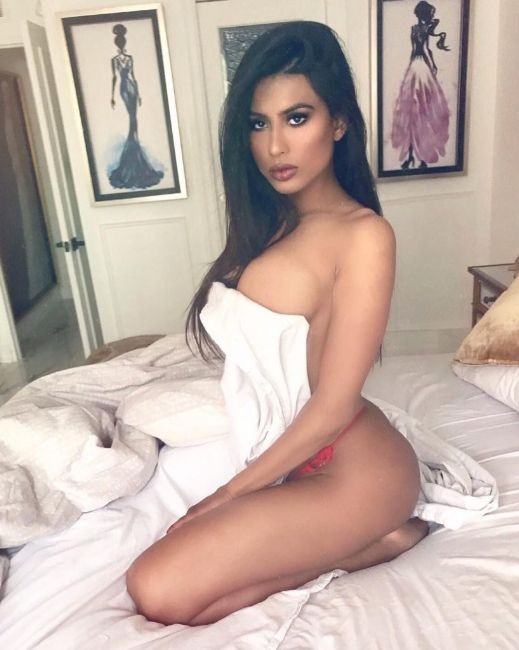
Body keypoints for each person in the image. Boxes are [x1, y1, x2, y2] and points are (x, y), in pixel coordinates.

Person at [126, 20, 429, 626]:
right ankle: (361, 544)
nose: (274, 146)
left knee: (157, 589)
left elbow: (334, 405)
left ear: (337, 123)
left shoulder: (365, 235)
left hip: (355, 468)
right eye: (258, 124)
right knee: (166, 593)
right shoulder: (272, 224)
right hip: (290, 452)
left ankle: (382, 540)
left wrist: (227, 495)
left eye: (297, 118)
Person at [391, 1, 451, 169]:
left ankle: (412, 157)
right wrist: (432, 65)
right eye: (431, 13)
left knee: (413, 112)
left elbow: (414, 50)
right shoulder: (424, 29)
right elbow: (425, 49)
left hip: (414, 65)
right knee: (423, 112)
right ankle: (420, 157)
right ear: (425, 14)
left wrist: (411, 66)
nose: (432, 16)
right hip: (422, 66)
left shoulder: (414, 28)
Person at [109, 23, 163, 189]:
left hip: (130, 87)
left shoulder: (128, 58)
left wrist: (138, 94)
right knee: (132, 118)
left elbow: (134, 76)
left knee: (134, 118)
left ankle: (134, 143)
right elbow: (115, 77)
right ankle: (133, 144)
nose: (121, 47)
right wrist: (112, 96)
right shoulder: (115, 60)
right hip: (124, 87)